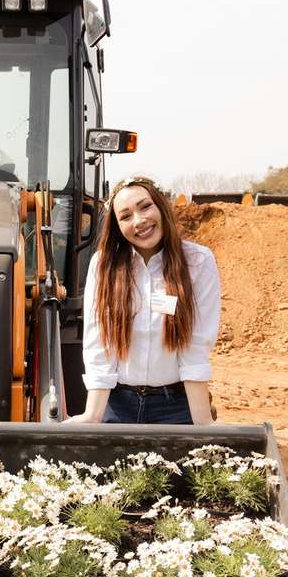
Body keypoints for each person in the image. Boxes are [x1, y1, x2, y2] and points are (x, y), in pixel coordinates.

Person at [66, 176, 220, 425]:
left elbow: (196, 344)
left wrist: (203, 422)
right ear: (117, 226)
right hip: (117, 405)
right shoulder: (104, 264)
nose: (139, 221)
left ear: (160, 205)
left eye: (145, 206)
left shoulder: (198, 262)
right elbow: (99, 342)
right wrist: (92, 415)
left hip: (176, 407)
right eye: (125, 216)